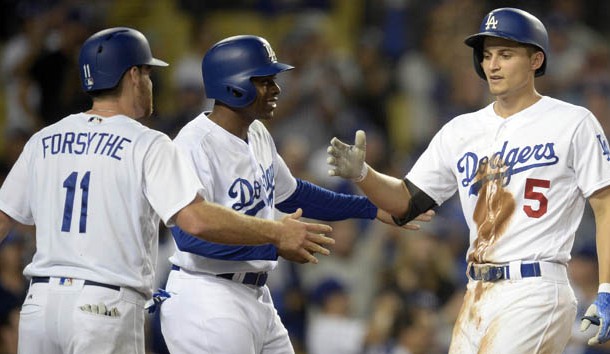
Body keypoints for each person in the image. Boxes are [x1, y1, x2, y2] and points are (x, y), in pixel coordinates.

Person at [0, 27, 336, 354]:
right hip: (103, 308)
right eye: (148, 75)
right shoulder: (147, 142)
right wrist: (275, 233)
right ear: (133, 75)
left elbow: (3, 219)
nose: (150, 84)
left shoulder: (44, 140)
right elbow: (196, 219)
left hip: (39, 306)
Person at [327, 7, 610, 353]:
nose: (492, 65)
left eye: (505, 54)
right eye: (487, 55)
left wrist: (607, 289)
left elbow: (605, 207)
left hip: (536, 287)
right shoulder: (461, 131)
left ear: (536, 59)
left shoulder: (573, 122)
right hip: (476, 292)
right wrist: (363, 174)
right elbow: (405, 202)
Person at [158, 35, 432, 354]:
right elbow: (191, 236)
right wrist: (274, 240)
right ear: (234, 86)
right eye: (265, 81)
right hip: (206, 296)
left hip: (255, 295)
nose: (276, 90)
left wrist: (371, 208)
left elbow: (293, 194)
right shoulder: (192, 145)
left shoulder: (257, 133)